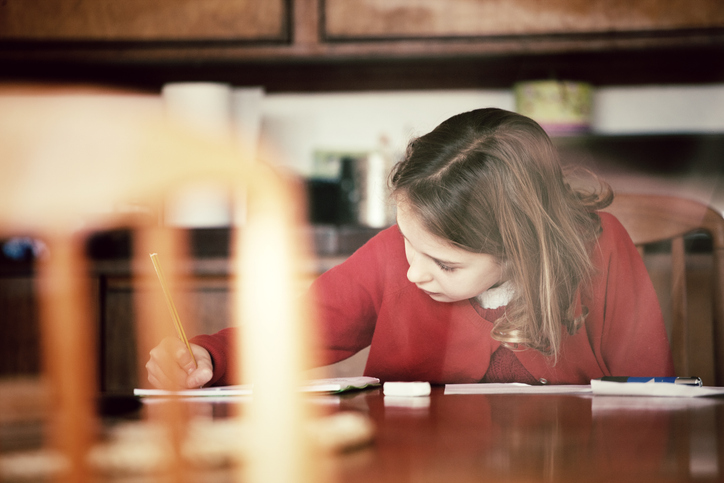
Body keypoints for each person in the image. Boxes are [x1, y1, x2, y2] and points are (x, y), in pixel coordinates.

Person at [145, 107, 674, 389]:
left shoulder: (603, 249)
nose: (414, 273)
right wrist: (212, 356)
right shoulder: (389, 256)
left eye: (445, 263)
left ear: (522, 249)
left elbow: (650, 391)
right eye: (408, 242)